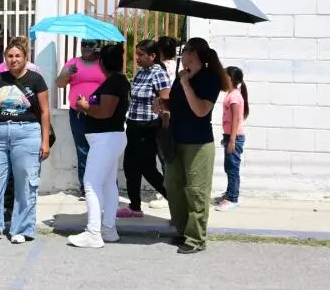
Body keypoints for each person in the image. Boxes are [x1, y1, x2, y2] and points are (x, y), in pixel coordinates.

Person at [0, 38, 51, 244]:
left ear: (25, 58)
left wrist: (45, 141)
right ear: (5, 58)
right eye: (10, 56)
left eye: (17, 56)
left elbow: (44, 111)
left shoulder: (36, 80)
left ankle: (21, 229)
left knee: (25, 184)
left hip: (28, 133)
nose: (13, 60)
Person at [162, 37, 228, 254]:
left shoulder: (210, 79)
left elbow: (200, 110)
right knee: (173, 186)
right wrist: (162, 104)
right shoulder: (182, 77)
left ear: (194, 53)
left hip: (198, 143)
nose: (182, 55)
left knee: (196, 191)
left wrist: (186, 83)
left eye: (185, 51)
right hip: (176, 139)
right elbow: (178, 104)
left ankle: (196, 238)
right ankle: (181, 230)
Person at [67, 44, 130, 248]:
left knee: (91, 183)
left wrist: (84, 106)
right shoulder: (118, 81)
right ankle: (108, 229)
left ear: (102, 62)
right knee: (108, 184)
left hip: (105, 139)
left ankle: (93, 232)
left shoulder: (113, 82)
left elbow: (104, 112)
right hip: (110, 138)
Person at [117, 39, 171, 218]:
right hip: (133, 124)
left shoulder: (158, 73)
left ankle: (176, 201)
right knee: (130, 166)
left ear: (152, 56)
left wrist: (163, 116)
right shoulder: (141, 73)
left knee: (147, 168)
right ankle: (134, 206)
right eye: (137, 54)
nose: (137, 58)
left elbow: (166, 100)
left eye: (141, 55)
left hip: (148, 126)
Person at [56, 39, 105, 197]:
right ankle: (86, 187)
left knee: (100, 150)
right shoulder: (73, 63)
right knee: (82, 149)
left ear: (98, 46)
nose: (86, 48)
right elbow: (60, 84)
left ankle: (102, 185)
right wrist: (67, 72)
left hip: (98, 112)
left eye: (90, 45)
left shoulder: (103, 63)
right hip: (77, 113)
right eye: (84, 44)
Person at [216, 66, 249, 212]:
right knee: (229, 167)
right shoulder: (231, 94)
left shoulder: (235, 96)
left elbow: (236, 119)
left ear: (230, 78)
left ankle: (233, 198)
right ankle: (229, 194)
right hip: (229, 136)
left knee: (232, 168)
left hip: (234, 137)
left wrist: (232, 139)